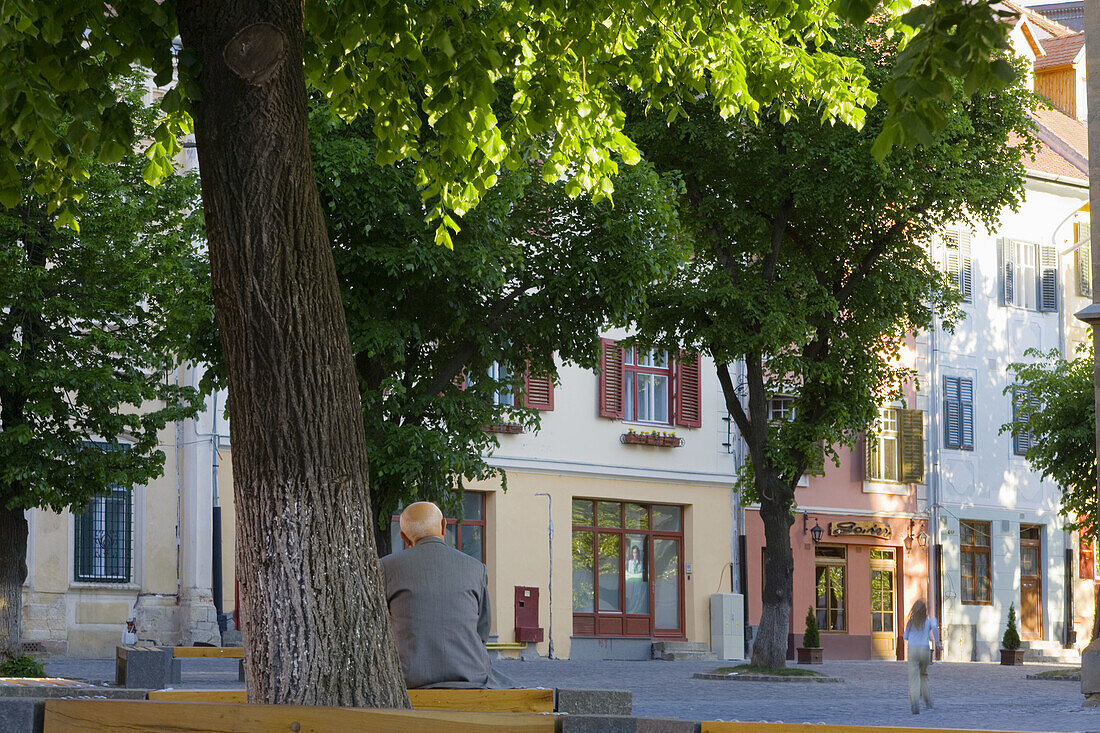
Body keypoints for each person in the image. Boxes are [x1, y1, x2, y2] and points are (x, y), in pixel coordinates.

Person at [380, 501, 508, 689]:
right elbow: (482, 631)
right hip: (470, 676)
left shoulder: (385, 567)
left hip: (409, 679)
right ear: (443, 525)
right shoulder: (476, 568)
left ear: (404, 538)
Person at [903, 598, 942, 714]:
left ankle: (914, 702)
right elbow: (935, 628)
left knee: (914, 678)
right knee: (923, 675)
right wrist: (938, 642)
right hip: (925, 650)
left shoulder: (910, 622)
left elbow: (905, 636)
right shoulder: (930, 620)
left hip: (913, 650)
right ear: (925, 610)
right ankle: (927, 699)